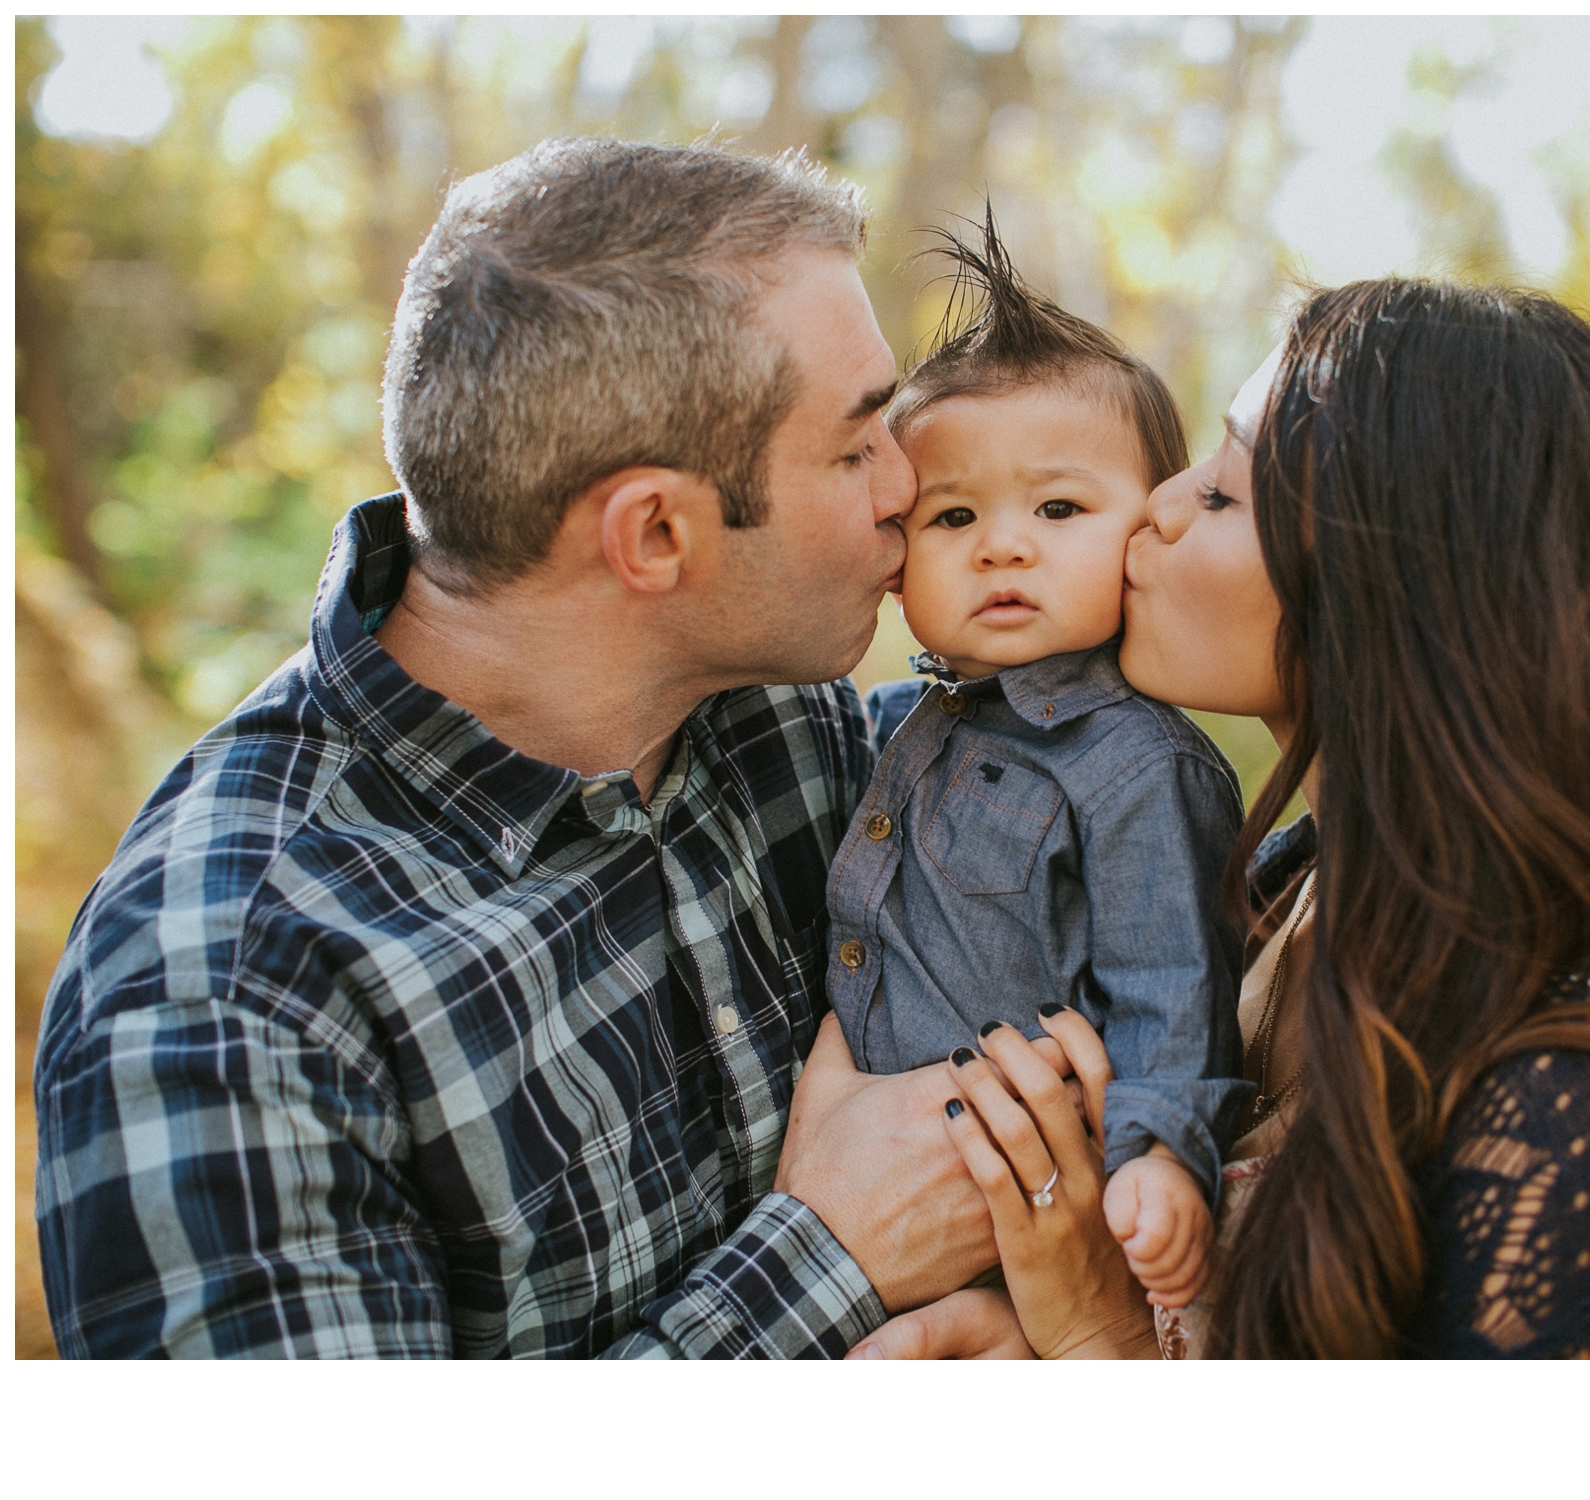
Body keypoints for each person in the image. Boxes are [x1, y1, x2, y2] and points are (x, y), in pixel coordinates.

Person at [34, 138, 1000, 1358]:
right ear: (653, 535)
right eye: (856, 446)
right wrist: (829, 1260)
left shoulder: (791, 727)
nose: (907, 486)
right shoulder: (227, 998)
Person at [849, 278, 1590, 1360]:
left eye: (1219, 493)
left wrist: (1088, 1336)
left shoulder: (1576, 1102)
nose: (1156, 504)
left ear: (1400, 583)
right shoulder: (1276, 891)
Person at [826, 218, 1248, 1311]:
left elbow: (1171, 984)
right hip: (870, 1207)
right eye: (952, 514)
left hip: (1024, 1219)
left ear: (1142, 526)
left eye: (1058, 509)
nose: (1001, 545)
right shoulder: (885, 728)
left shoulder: (1136, 766)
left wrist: (1160, 1156)